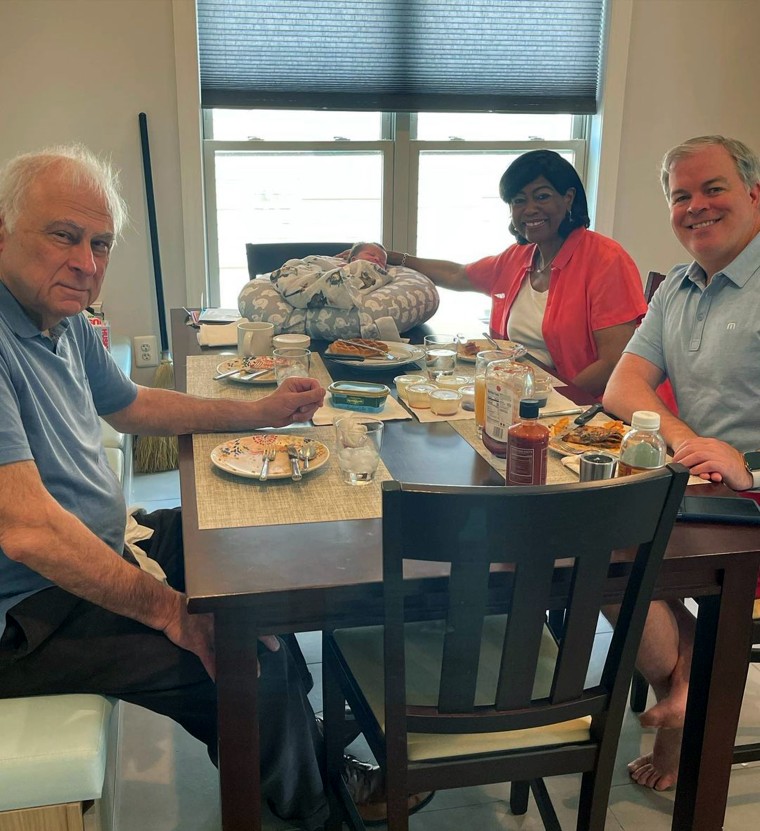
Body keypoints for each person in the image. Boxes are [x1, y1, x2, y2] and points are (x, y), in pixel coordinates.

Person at [0, 145, 425, 828]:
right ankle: (317, 809)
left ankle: (303, 760)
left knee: (254, 575)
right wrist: (168, 608)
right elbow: (26, 530)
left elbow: (132, 404)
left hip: (100, 548)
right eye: (63, 235)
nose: (86, 262)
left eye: (100, 243)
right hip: (28, 613)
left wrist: (256, 412)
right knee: (234, 654)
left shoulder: (64, 319)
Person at [603, 135, 760, 792]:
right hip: (706, 488)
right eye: (680, 195)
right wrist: (690, 440)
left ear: (753, 192)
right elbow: (621, 386)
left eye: (713, 188)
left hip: (752, 498)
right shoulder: (679, 287)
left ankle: (682, 704)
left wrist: (747, 467)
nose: (696, 206)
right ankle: (687, 673)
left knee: (607, 550)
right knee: (588, 539)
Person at [386, 150, 647, 397]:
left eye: (542, 196)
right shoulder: (519, 256)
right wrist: (394, 258)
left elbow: (614, 362)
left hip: (585, 407)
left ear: (568, 198)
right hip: (516, 395)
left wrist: (549, 400)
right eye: (519, 200)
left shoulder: (606, 259)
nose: (530, 208)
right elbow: (459, 275)